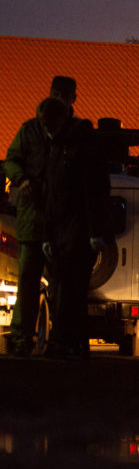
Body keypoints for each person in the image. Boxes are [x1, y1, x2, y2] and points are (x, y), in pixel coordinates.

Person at [2, 76, 76, 355]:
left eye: (64, 94)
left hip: (60, 221)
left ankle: (60, 339)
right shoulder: (30, 130)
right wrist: (21, 181)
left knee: (61, 284)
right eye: (56, 93)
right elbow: (12, 160)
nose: (59, 98)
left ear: (73, 98)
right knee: (28, 282)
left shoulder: (74, 133)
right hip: (33, 219)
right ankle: (22, 339)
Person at [40, 96, 111, 358]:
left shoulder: (82, 146)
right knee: (64, 289)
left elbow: (93, 191)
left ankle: (67, 342)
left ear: (62, 119)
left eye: (49, 123)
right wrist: (48, 234)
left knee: (72, 289)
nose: (46, 129)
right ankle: (73, 342)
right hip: (60, 230)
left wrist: (94, 232)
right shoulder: (58, 147)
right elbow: (51, 193)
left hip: (79, 230)